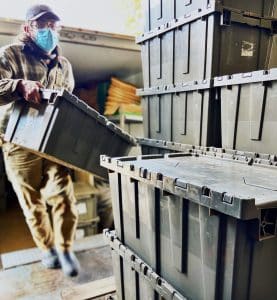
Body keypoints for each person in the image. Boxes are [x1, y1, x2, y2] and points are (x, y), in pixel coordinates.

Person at [0, 4, 80, 277]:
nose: (49, 31)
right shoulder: (10, 55)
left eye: (54, 26)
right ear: (28, 28)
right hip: (19, 142)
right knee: (32, 202)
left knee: (64, 198)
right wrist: (19, 86)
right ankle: (47, 250)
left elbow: (68, 101)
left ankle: (66, 248)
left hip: (53, 141)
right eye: (42, 25)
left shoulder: (64, 65)